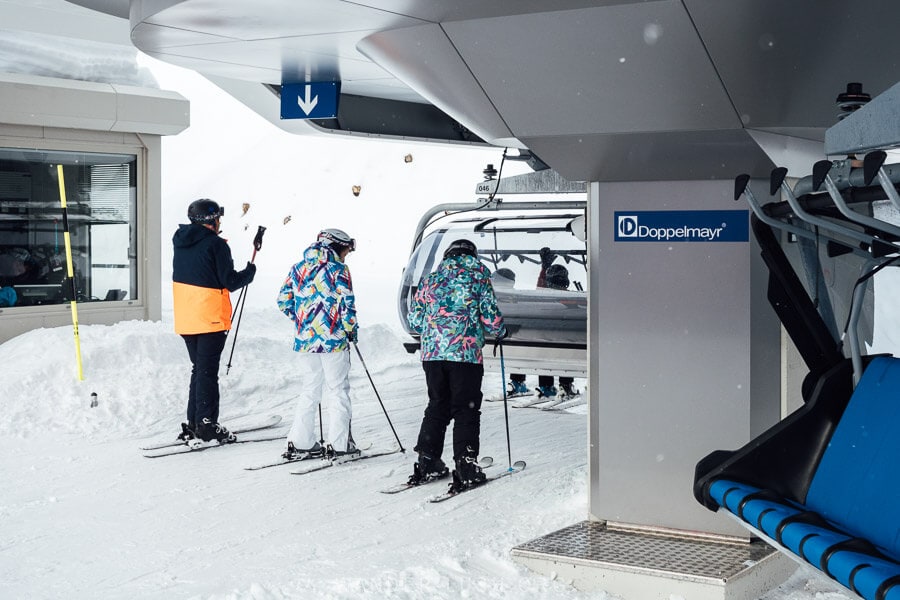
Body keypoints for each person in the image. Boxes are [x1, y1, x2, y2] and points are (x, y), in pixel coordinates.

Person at [408, 239, 506, 492]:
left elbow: (415, 320)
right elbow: (491, 318)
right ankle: (466, 464)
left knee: (437, 405)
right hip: (465, 355)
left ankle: (427, 460)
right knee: (466, 408)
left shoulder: (430, 280)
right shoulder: (478, 278)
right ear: (472, 255)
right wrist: (500, 331)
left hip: (432, 355)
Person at [172, 198, 256, 444]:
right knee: (207, 372)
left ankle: (194, 422)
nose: (220, 222)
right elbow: (229, 281)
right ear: (211, 220)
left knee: (199, 369)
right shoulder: (216, 245)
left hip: (187, 317)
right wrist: (249, 274)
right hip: (209, 318)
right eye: (218, 218)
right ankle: (207, 424)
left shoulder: (181, 242)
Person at [277, 228, 359, 460]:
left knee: (310, 388)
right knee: (337, 390)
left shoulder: (298, 267)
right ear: (337, 246)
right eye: (346, 250)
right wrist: (350, 329)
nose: (346, 255)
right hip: (333, 340)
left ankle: (301, 441)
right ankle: (340, 444)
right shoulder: (339, 270)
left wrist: (304, 320)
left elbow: (283, 301)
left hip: (305, 341)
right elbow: (347, 304)